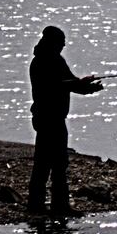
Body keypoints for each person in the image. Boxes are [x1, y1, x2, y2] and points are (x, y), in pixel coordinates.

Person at [28, 26, 103, 216]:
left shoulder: (55, 60)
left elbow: (69, 83)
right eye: (61, 42)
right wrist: (82, 84)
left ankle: (52, 205)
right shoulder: (41, 63)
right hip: (48, 119)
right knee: (47, 163)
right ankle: (46, 205)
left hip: (54, 118)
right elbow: (60, 85)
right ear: (52, 43)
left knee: (57, 162)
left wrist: (88, 87)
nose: (63, 45)